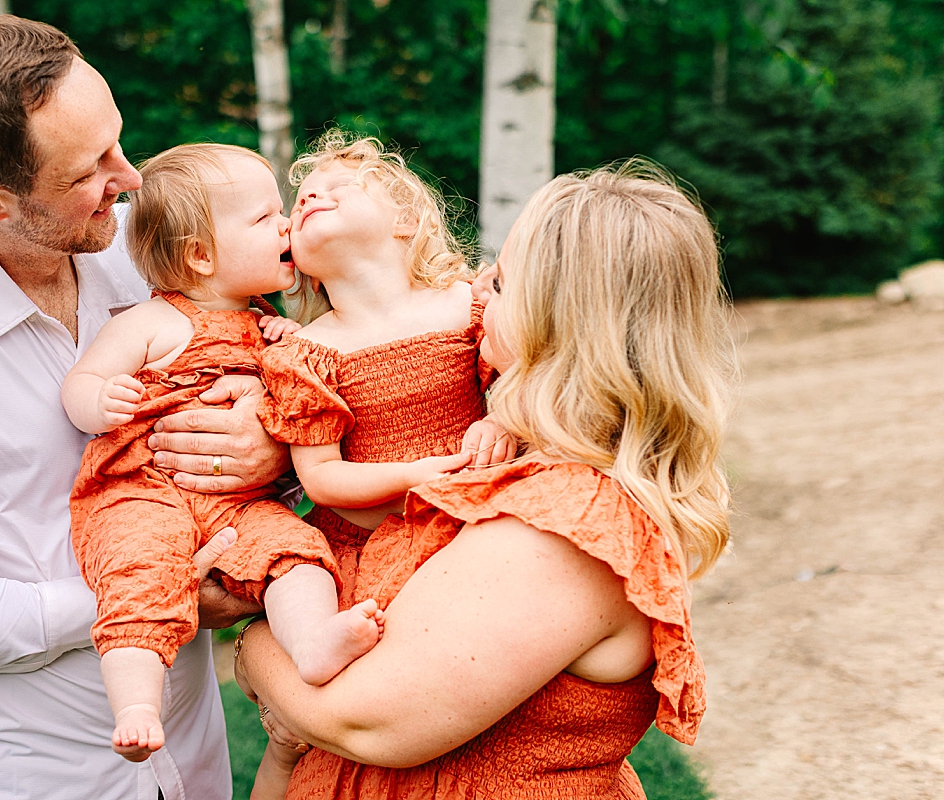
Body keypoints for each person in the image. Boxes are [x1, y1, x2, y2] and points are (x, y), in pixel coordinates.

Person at [0, 16, 276, 800]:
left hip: (198, 764)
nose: (130, 179)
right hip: (37, 776)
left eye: (116, 141)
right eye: (89, 169)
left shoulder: (142, 247)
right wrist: (154, 593)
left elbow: (286, 361)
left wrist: (268, 441)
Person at [235, 160, 736, 799]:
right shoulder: (534, 472)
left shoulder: (570, 520)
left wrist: (254, 643)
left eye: (499, 283)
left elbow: (366, 723)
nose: (476, 291)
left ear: (557, 316)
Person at [62, 143, 387, 762]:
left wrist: (281, 364)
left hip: (239, 505)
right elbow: (79, 384)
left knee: (296, 551)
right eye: (266, 219)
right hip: (142, 489)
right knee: (140, 574)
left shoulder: (273, 327)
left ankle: (312, 643)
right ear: (202, 255)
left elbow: (299, 412)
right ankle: (136, 704)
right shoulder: (152, 321)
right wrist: (100, 401)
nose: (289, 225)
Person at [250, 131, 513, 793]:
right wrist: (417, 475)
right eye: (303, 196)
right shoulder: (307, 351)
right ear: (300, 264)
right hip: (365, 556)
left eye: (339, 189)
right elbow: (322, 480)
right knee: (350, 737)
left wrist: (505, 416)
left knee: (476, 706)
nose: (310, 194)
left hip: (476, 539)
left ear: (406, 221)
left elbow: (536, 376)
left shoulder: (474, 307)